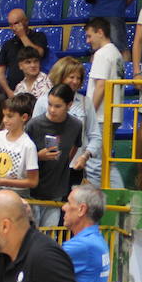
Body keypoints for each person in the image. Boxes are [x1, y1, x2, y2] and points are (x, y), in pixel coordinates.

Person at [28, 84, 84, 226]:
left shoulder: (76, 125)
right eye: (50, 104)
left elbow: (76, 146)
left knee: (50, 234)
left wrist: (64, 162)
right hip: (32, 191)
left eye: (57, 106)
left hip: (56, 190)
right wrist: (38, 156)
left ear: (69, 105)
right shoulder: (34, 124)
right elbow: (21, 155)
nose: (52, 110)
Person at [82, 17, 125, 190]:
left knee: (94, 163)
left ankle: (117, 199)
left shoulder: (102, 54)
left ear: (100, 32)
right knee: (103, 161)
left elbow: (100, 86)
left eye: (89, 35)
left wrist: (88, 114)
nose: (87, 40)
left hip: (100, 116)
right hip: (112, 115)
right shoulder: (116, 53)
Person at [0, 93, 39, 198]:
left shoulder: (28, 146)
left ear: (24, 117)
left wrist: (4, 182)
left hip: (18, 195)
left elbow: (33, 181)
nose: (5, 120)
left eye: (10, 116)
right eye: (4, 115)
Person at [0, 8, 46, 98]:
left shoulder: (39, 36)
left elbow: (38, 54)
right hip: (15, 91)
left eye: (17, 23)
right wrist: (8, 91)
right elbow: (0, 72)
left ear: (26, 21)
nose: (14, 28)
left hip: (38, 89)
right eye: (11, 25)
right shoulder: (8, 44)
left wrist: (22, 36)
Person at [32, 57, 89, 124]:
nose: (75, 81)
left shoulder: (85, 102)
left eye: (78, 78)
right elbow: (35, 128)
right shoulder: (43, 101)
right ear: (60, 77)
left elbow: (93, 132)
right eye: (71, 77)